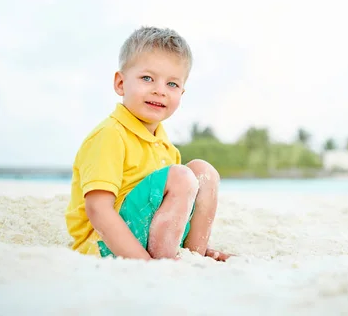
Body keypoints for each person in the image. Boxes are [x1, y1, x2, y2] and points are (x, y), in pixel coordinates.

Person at [65, 26, 230, 262]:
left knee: (204, 172)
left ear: (181, 93)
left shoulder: (165, 147)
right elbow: (98, 210)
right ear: (121, 83)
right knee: (181, 176)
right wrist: (146, 264)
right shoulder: (110, 135)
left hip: (149, 238)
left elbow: (171, 213)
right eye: (147, 78)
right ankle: (165, 263)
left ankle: (194, 255)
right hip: (107, 244)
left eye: (172, 84)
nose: (159, 90)